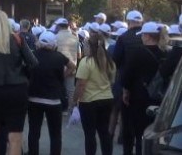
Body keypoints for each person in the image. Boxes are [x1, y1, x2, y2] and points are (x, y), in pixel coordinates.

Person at [0, 10, 38, 155]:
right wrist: (21, 71)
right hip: (17, 89)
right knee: (15, 137)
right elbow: (33, 63)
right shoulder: (18, 39)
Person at [121, 21, 168, 155]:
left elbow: (127, 75)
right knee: (156, 132)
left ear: (147, 36)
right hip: (160, 98)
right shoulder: (165, 53)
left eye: (142, 35)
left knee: (138, 133)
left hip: (138, 97)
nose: (141, 37)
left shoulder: (137, 53)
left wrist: (125, 91)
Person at [27, 31, 73, 155]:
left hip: (34, 98)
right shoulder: (59, 57)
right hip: (54, 99)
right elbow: (72, 66)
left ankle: (33, 152)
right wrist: (62, 76)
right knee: (55, 133)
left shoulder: (32, 55)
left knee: (34, 131)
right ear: (54, 44)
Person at [72, 29, 115, 155]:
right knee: (104, 133)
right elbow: (112, 81)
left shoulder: (86, 62)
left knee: (90, 134)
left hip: (89, 101)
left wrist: (74, 101)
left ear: (89, 46)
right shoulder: (110, 62)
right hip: (107, 99)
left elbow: (80, 85)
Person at [113, 10, 144, 153]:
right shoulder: (148, 37)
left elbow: (116, 60)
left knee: (127, 123)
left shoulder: (123, 38)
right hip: (146, 87)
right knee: (143, 126)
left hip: (126, 86)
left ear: (128, 21)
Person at [54, 18, 79, 109]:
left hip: (58, 68)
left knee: (57, 88)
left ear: (59, 26)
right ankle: (70, 109)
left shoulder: (55, 37)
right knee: (70, 90)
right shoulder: (75, 37)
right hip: (72, 66)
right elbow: (78, 53)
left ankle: (58, 108)